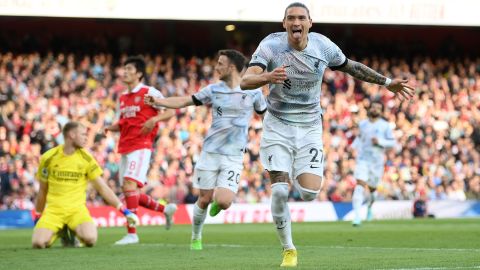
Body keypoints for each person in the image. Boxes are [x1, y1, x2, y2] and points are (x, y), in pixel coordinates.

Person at [240, 2, 414, 267]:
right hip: (277, 125)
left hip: (309, 126)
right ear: (283, 23)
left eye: (301, 18)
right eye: (291, 18)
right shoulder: (270, 45)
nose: (296, 22)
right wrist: (267, 76)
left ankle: (300, 174)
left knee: (309, 192)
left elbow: (352, 67)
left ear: (310, 22)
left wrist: (387, 83)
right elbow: (245, 81)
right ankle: (288, 249)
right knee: (278, 192)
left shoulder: (324, 47)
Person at [144, 49, 267, 251]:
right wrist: (159, 101)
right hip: (210, 153)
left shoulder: (254, 92)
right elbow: (184, 101)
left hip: (234, 155)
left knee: (225, 201)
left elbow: (265, 116)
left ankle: (220, 204)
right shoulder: (213, 90)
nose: (216, 67)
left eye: (220, 64)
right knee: (204, 198)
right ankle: (196, 236)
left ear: (232, 67)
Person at [104, 56, 178, 245]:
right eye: (124, 68)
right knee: (129, 192)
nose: (125, 72)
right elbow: (123, 123)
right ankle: (165, 210)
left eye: (129, 69)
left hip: (142, 145)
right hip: (125, 146)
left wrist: (154, 119)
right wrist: (108, 128)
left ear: (138, 73)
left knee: (129, 186)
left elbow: (170, 111)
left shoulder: (149, 92)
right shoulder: (122, 97)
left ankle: (132, 233)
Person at [32, 122, 139, 249]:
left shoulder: (86, 158)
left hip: (77, 211)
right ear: (71, 135)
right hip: (54, 211)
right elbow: (42, 190)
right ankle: (62, 232)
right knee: (38, 243)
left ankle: (71, 232)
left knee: (90, 239)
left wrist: (125, 211)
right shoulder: (48, 158)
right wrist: (38, 214)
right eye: (83, 134)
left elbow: (102, 188)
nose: (86, 138)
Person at [351, 101, 396, 226]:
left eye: (378, 108)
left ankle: (369, 208)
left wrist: (380, 141)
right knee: (359, 184)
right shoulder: (362, 124)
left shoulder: (385, 125)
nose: (375, 109)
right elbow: (359, 138)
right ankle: (357, 217)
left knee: (372, 189)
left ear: (381, 112)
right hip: (363, 159)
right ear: (369, 109)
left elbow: (392, 143)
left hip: (377, 162)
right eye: (374, 107)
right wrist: (353, 147)